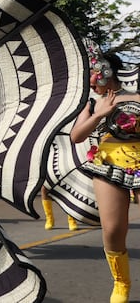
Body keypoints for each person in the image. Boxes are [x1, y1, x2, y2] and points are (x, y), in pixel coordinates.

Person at [71, 52, 140, 303]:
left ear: (105, 71)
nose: (90, 79)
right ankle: (121, 282)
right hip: (109, 164)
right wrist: (99, 114)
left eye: (92, 73)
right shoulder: (90, 103)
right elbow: (77, 136)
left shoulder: (137, 96)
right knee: (112, 230)